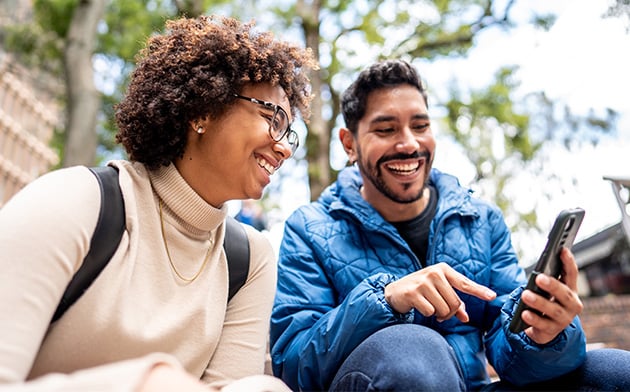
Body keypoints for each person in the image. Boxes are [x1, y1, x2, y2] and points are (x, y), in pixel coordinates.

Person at [270, 59, 630, 391]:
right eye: (386, 129)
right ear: (349, 144)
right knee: (411, 347)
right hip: (382, 379)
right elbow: (295, 365)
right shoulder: (309, 228)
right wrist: (385, 301)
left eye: (420, 125)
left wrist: (542, 335)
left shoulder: (481, 219)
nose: (409, 144)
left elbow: (512, 358)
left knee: (614, 372)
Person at [0, 14, 317, 391]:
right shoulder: (76, 201)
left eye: (288, 133)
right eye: (271, 117)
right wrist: (144, 382)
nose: (282, 148)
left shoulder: (249, 260)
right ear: (203, 110)